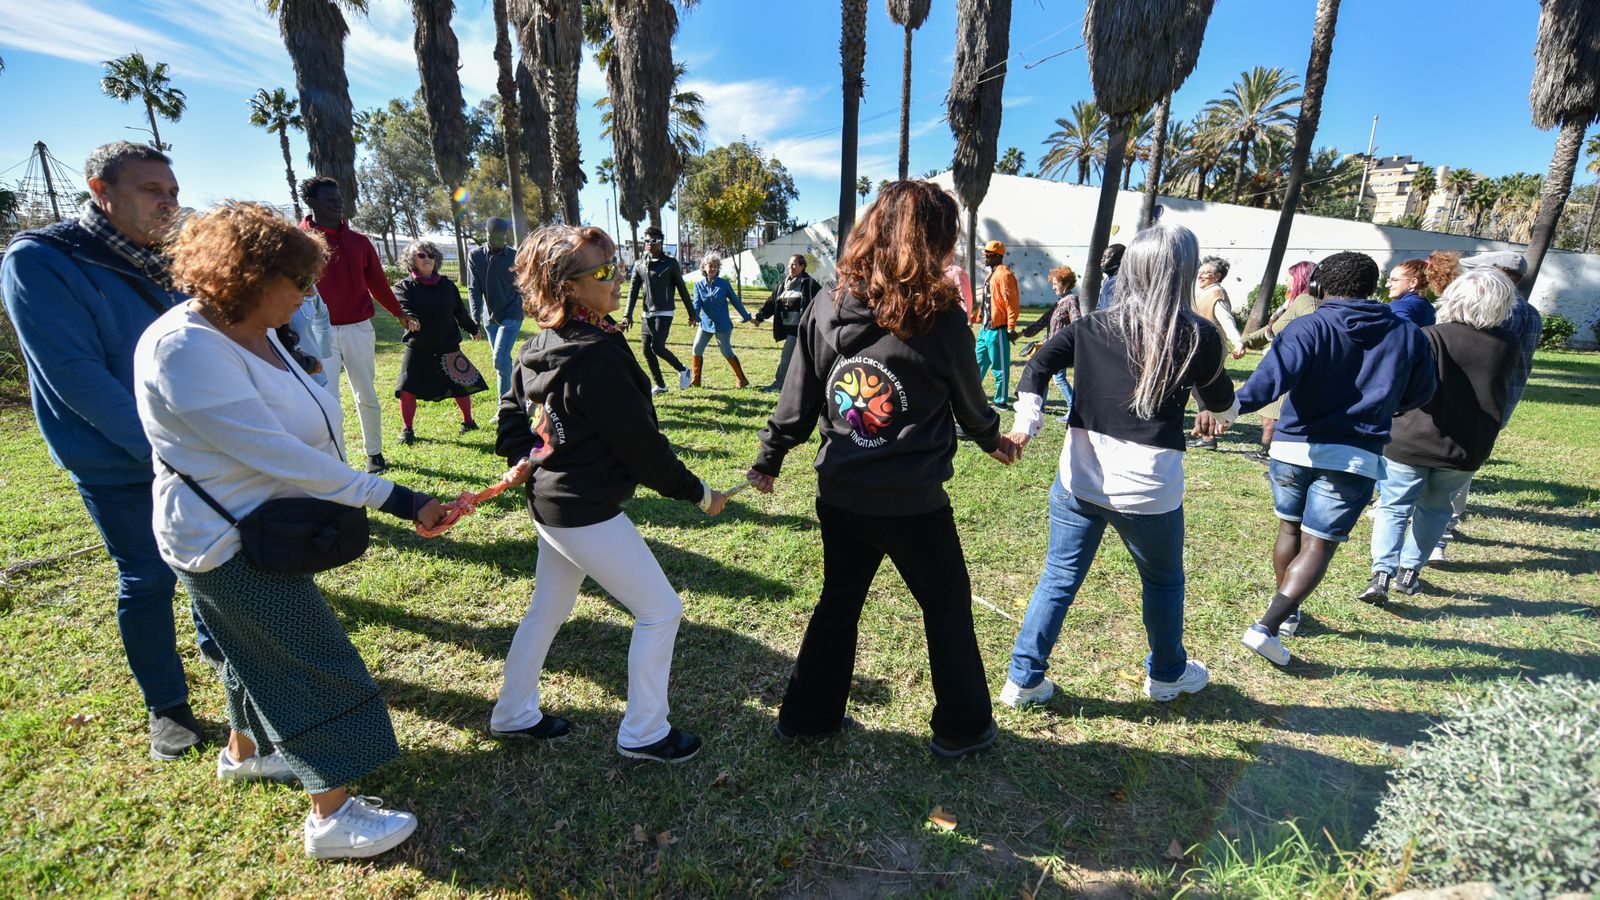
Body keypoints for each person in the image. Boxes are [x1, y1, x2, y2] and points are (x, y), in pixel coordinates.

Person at [133, 201, 450, 858]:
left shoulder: (262, 326)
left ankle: (244, 753)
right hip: (227, 539)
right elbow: (280, 455)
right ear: (245, 276)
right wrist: (399, 498)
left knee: (253, 653)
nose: (309, 295)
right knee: (310, 661)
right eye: (298, 282)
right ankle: (331, 817)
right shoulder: (184, 350)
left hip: (270, 522)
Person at [747, 180, 1022, 759]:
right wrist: (991, 437)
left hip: (842, 492)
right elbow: (971, 404)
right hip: (911, 502)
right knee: (946, 604)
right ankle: (964, 728)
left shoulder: (826, 302)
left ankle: (806, 718)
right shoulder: (940, 318)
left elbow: (796, 398)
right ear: (930, 242)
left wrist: (773, 453)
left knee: (838, 601)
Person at [1, 141, 222, 761]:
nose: (168, 203)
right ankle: (167, 707)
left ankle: (235, 669)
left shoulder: (174, 257)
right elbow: (72, 374)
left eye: (173, 191)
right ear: (102, 192)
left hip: (198, 449)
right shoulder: (42, 261)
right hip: (120, 459)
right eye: (153, 190)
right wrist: (165, 449)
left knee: (213, 565)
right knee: (148, 577)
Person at [491, 224, 729, 764]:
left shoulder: (545, 344)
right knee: (661, 611)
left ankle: (513, 712)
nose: (618, 277)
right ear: (568, 287)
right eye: (604, 272)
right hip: (581, 510)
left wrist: (525, 457)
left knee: (546, 609)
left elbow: (512, 410)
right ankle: (645, 732)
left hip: (553, 507)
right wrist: (699, 494)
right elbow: (642, 450)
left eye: (616, 265)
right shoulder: (597, 355)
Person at [997, 223, 1233, 710]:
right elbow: (1224, 405)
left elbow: (1036, 367)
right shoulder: (1198, 335)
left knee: (1058, 576)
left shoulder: (1092, 325)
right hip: (1149, 492)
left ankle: (1023, 679)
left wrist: (1027, 422)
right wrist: (1219, 414)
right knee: (1164, 582)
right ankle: (1167, 674)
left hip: (1078, 480)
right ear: (1185, 271)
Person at [1230, 251, 1435, 666]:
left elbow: (1267, 383)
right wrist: (1391, 406)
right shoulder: (1408, 334)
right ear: (1373, 287)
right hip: (1354, 454)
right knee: (1319, 543)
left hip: (1292, 447)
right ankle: (1269, 625)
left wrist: (1227, 409)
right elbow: (1422, 392)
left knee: (1290, 530)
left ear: (1320, 287)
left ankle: (1283, 615)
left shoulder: (1308, 325)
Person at [1359, 269, 1521, 604]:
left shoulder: (1430, 336)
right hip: (1467, 445)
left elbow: (1402, 383)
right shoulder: (1508, 346)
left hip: (1411, 438)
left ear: (1453, 297)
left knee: (1394, 506)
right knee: (1436, 508)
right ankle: (1409, 572)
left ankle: (1381, 575)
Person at [298, 176, 418, 474]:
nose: (338, 204)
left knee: (366, 393)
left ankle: (374, 454)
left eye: (340, 199)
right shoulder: (298, 241)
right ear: (311, 203)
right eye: (330, 200)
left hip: (358, 328)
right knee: (328, 397)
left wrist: (399, 313)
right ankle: (335, 459)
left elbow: (377, 283)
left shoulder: (359, 242)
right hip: (316, 332)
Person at [1429, 250, 1542, 562]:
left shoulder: (1481, 307)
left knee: (1441, 474)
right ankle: (1438, 531)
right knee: (1458, 473)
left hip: (1447, 403)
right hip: (1493, 408)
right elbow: (1522, 370)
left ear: (1493, 274)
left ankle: (1436, 537)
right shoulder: (1532, 314)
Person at [393, 240, 487, 444]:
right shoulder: (404, 286)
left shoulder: (447, 285)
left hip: (447, 345)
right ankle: (408, 430)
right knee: (406, 387)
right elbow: (403, 307)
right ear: (412, 260)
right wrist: (410, 319)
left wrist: (472, 329)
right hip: (418, 346)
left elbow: (459, 312)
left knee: (460, 383)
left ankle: (469, 422)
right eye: (421, 255)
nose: (427, 259)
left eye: (430, 255)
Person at [1237, 260, 1318, 463]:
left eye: (1289, 277)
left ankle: (1271, 453)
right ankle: (1269, 451)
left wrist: (1246, 341)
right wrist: (1247, 341)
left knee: (1273, 412)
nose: (1286, 282)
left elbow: (1281, 329)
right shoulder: (1293, 302)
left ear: (1300, 278)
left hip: (1290, 362)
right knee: (1270, 412)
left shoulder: (1305, 301)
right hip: (1289, 360)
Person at [621, 225, 694, 394]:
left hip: (665, 311)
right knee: (647, 349)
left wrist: (692, 313)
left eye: (653, 241)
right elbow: (632, 292)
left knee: (658, 347)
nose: (649, 244)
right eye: (646, 240)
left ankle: (683, 370)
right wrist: (627, 315)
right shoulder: (639, 264)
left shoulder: (670, 263)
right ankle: (661, 385)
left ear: (660, 242)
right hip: (647, 313)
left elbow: (682, 289)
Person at [1187, 255, 1245, 450]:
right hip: (1197, 349)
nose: (1201, 275)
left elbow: (1227, 321)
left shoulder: (1216, 295)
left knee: (1203, 393)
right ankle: (1207, 435)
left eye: (1206, 272)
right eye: (1200, 271)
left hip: (1208, 352)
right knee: (1198, 392)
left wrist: (1237, 342)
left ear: (1217, 276)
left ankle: (1208, 437)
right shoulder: (1203, 293)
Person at [468, 217, 523, 405]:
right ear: (486, 234)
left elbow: (523, 286)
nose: (499, 241)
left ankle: (505, 406)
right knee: (502, 363)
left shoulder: (514, 256)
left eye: (502, 237)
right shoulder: (475, 256)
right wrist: (474, 318)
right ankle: (510, 404)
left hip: (511, 314)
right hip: (489, 318)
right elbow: (474, 288)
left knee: (500, 359)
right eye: (494, 236)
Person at [752, 253, 824, 392]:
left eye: (794, 264)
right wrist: (760, 318)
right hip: (788, 329)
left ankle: (780, 384)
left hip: (801, 329)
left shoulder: (809, 284)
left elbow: (820, 302)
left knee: (788, 357)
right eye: (790, 264)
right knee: (796, 359)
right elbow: (771, 303)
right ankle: (796, 386)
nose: (791, 267)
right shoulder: (782, 284)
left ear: (802, 266)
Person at [1018, 264, 1081, 422]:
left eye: (1055, 284)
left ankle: (1073, 409)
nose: (1053, 287)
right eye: (1052, 284)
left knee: (1058, 378)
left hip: (1062, 349)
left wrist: (1070, 341)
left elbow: (1077, 322)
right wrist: (1021, 334)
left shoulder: (1071, 300)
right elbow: (1041, 322)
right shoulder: (1059, 303)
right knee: (1046, 375)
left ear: (1065, 283)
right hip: (1052, 347)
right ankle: (1041, 406)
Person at [689, 253, 754, 388]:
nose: (712, 268)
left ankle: (742, 379)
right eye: (710, 266)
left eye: (715, 266)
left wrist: (747, 317)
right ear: (704, 268)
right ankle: (696, 381)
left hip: (722, 325)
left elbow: (736, 302)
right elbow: (697, 304)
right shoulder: (698, 285)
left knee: (726, 352)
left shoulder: (724, 284)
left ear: (718, 268)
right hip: (705, 324)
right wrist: (694, 316)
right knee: (696, 349)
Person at [971, 239, 1020, 409]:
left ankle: (1001, 400)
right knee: (976, 365)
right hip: (985, 329)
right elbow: (987, 301)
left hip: (997, 329)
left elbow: (1011, 303)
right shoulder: (991, 274)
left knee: (1000, 367)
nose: (984, 257)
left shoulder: (1004, 275)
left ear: (997, 256)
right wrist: (976, 317)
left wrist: (1011, 327)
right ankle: (972, 396)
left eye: (988, 254)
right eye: (984, 254)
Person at [288, 288, 334, 387]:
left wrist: (322, 354)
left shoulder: (310, 291)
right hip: (289, 388)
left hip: (318, 380)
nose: (313, 291)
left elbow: (321, 313)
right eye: (305, 282)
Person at [1385, 258, 1436, 327]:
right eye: (1389, 280)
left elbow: (1403, 334)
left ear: (1413, 283)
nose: (1387, 285)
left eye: (1394, 280)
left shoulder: (1399, 306)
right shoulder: (1429, 307)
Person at [943, 248, 974, 318]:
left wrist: (966, 316)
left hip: (955, 316)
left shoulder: (956, 272)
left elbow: (964, 295)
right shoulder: (937, 272)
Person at [1098, 242, 1125, 310]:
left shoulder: (1121, 281)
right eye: (1102, 257)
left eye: (1106, 257)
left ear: (1119, 259)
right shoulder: (1107, 280)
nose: (1102, 260)